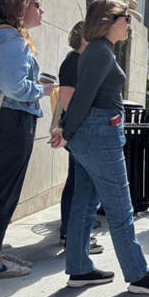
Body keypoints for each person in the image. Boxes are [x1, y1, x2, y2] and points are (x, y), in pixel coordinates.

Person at [49, 0, 149, 296]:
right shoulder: (100, 52)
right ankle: (139, 275)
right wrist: (66, 131)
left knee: (84, 204)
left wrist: (68, 130)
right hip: (99, 134)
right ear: (109, 19)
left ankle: (79, 269)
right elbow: (83, 97)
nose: (129, 24)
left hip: (92, 133)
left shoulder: (98, 51)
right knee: (120, 207)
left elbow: (84, 97)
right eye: (126, 18)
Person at [0, 0, 54, 279]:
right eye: (36, 4)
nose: (41, 11)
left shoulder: (0, 35)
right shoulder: (10, 37)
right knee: (3, 192)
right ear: (19, 7)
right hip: (8, 122)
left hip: (1, 120)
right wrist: (42, 89)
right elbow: (14, 86)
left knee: (3, 190)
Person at [57, 20, 103, 254]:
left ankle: (73, 234)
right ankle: (72, 235)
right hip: (79, 132)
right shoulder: (73, 62)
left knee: (77, 183)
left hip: (80, 131)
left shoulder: (80, 61)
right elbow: (66, 100)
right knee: (78, 184)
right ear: (85, 39)